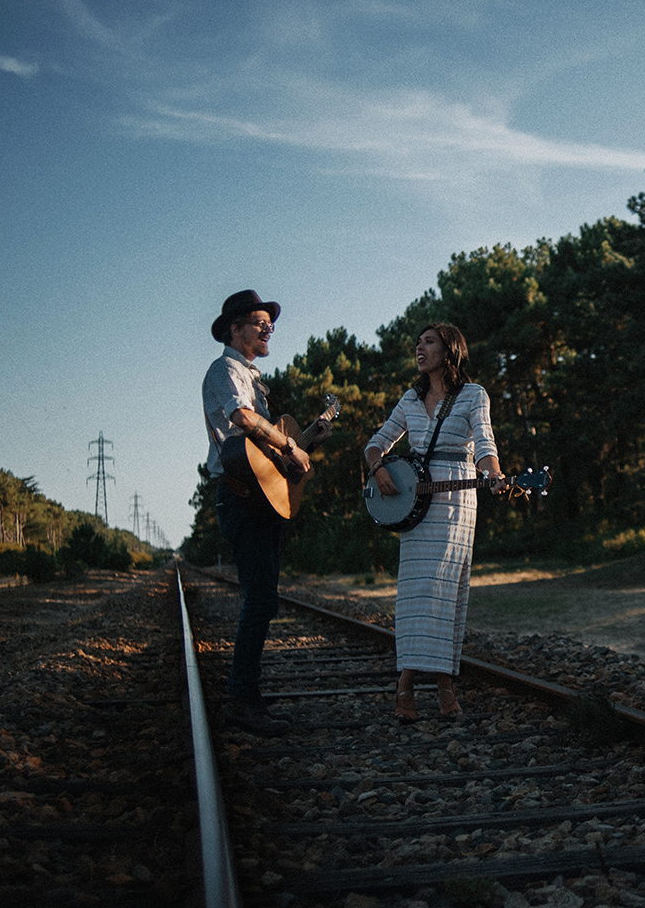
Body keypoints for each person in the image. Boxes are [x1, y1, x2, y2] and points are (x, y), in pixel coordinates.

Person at [203, 289, 331, 736]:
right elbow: (241, 419)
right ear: (235, 329)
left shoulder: (255, 380)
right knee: (259, 600)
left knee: (264, 599)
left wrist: (311, 434)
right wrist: (293, 444)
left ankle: (248, 692)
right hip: (240, 496)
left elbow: (271, 458)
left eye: (269, 323)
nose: (268, 328)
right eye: (259, 322)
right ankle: (241, 697)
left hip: (258, 495)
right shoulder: (225, 370)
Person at [365, 322, 505, 721]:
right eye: (417, 343)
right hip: (415, 504)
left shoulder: (474, 395)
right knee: (415, 595)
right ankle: (406, 685)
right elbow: (376, 442)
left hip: (456, 503)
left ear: (449, 351)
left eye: (428, 342)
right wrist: (379, 469)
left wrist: (493, 472)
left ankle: (444, 686)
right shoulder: (411, 398)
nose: (419, 348)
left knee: (445, 593)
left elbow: (485, 443)